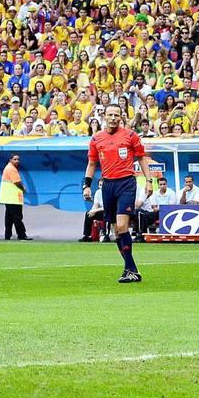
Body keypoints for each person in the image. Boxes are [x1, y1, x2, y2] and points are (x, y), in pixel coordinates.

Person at [83, 104, 156, 283]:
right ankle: (130, 269)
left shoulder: (130, 136)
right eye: (110, 115)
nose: (113, 118)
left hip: (126, 183)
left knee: (123, 226)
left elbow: (142, 158)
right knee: (116, 231)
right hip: (107, 185)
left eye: (117, 114)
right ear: (104, 116)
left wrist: (148, 180)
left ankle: (131, 269)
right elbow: (92, 164)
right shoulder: (96, 139)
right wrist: (86, 185)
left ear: (121, 117)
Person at [0, 154, 29, 240]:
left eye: (18, 159)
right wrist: (23, 188)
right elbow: (17, 182)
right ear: (10, 160)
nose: (17, 161)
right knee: (18, 217)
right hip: (13, 198)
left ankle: (7, 235)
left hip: (8, 197)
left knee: (9, 218)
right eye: (15, 159)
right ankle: (21, 235)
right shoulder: (12, 169)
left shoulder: (8, 168)